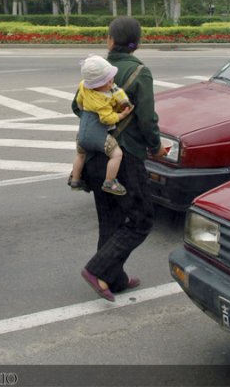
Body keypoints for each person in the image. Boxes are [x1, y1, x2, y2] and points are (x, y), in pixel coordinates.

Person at [74, 17, 168, 302]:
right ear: (136, 44)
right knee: (141, 219)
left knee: (110, 220)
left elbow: (76, 107)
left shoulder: (96, 71)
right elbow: (148, 119)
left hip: (94, 156)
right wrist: (155, 147)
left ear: (110, 40)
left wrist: (103, 119)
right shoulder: (140, 72)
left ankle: (114, 279)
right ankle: (97, 269)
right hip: (124, 158)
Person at [69, 55, 133, 196]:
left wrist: (85, 107)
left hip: (83, 135)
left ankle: (75, 179)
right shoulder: (103, 100)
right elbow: (107, 119)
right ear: (99, 84)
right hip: (98, 136)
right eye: (108, 81)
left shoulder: (83, 86)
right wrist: (121, 115)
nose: (111, 82)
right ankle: (109, 182)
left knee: (80, 155)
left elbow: (79, 102)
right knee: (116, 154)